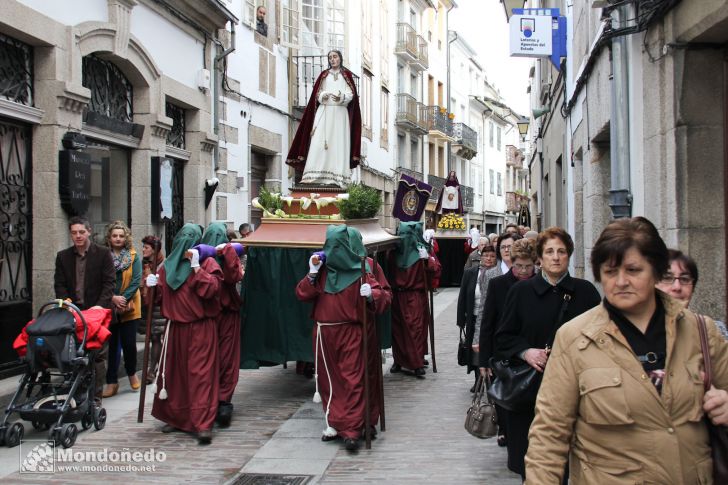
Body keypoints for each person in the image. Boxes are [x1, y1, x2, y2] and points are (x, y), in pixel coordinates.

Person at [525, 217, 728, 484]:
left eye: (633, 270)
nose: (620, 281)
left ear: (656, 271)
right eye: (610, 272)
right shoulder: (575, 338)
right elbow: (549, 436)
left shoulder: (701, 332)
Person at [494, 227, 600, 480]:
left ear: (569, 256)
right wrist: (526, 352)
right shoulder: (520, 292)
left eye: (561, 252)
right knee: (534, 466)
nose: (556, 257)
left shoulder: (585, 293)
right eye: (549, 251)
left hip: (577, 390)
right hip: (531, 390)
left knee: (574, 464)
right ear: (540, 257)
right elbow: (503, 337)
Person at [295, 225, 392, 451]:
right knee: (329, 381)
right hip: (324, 333)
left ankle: (352, 428)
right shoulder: (322, 269)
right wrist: (311, 274)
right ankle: (335, 422)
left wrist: (372, 295)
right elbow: (302, 294)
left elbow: (384, 297)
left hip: (352, 332)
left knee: (352, 379)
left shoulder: (364, 269)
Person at [145, 224, 223, 445]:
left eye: (191, 237)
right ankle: (177, 417)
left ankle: (203, 423)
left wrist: (197, 269)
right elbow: (156, 300)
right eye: (183, 237)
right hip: (175, 328)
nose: (185, 241)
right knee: (174, 376)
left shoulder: (207, 263)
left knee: (200, 376)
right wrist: (151, 286)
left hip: (201, 329)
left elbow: (212, 291)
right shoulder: (165, 267)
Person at [477, 238, 538, 447]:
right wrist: (483, 360)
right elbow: (487, 322)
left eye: (528, 266)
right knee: (505, 397)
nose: (523, 270)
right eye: (519, 265)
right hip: (503, 353)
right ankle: (507, 432)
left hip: (530, 352)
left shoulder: (539, 284)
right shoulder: (498, 284)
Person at [54, 216, 116, 403]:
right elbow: (60, 284)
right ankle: (76, 395)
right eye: (74, 233)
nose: (78, 236)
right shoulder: (63, 256)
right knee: (74, 355)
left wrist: (99, 306)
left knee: (97, 356)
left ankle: (95, 398)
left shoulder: (103, 253)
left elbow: (109, 283)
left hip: (97, 312)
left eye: (81, 232)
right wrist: (66, 303)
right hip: (74, 312)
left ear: (89, 231)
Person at [286, 50, 362, 187]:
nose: (332, 60)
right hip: (325, 111)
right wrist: (323, 95)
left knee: (338, 144)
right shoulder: (324, 75)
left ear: (340, 59)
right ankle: (314, 175)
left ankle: (338, 177)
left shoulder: (346, 75)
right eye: (330, 58)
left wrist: (342, 97)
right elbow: (317, 93)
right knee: (318, 142)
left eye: (335, 57)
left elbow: (351, 94)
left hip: (340, 113)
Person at [201, 222, 244, 427]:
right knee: (207, 359)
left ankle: (223, 400)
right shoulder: (199, 256)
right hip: (206, 316)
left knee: (227, 359)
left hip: (227, 314)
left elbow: (234, 276)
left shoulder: (229, 253)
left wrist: (227, 255)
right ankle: (206, 400)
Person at [389, 222, 441, 377]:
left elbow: (436, 271)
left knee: (415, 330)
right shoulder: (393, 252)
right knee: (398, 331)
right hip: (397, 296)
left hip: (415, 296)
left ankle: (416, 362)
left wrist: (427, 261)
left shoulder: (422, 252)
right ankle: (399, 360)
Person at [103, 221, 142, 398]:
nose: (118, 238)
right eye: (114, 236)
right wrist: (112, 298)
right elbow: (100, 279)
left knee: (128, 344)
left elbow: (136, 280)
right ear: (109, 238)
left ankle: (132, 373)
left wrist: (124, 298)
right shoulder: (103, 257)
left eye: (121, 235)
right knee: (111, 347)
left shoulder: (133, 256)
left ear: (126, 237)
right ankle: (112, 382)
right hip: (109, 306)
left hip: (130, 307)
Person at [656, 249, 728, 339]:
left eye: (684, 279)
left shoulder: (713, 331)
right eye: (667, 278)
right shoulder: (636, 332)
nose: (677, 287)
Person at [470, 232, 521, 352]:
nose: (507, 250)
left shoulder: (529, 270)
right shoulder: (490, 274)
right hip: (497, 331)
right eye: (503, 247)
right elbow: (483, 308)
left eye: (510, 246)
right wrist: (478, 338)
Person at [457, 245, 497, 390]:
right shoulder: (470, 273)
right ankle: (477, 379)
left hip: (492, 318)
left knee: (490, 348)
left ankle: (492, 379)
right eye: (486, 255)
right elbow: (462, 296)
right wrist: (461, 320)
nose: (489, 259)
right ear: (481, 257)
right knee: (474, 350)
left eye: (492, 256)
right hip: (473, 317)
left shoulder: (498, 274)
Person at [139, 235, 166, 384]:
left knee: (156, 337)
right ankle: (151, 368)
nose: (143, 250)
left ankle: (152, 370)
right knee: (151, 337)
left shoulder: (162, 265)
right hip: (146, 305)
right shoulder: (145, 264)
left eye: (146, 247)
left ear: (154, 250)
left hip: (157, 306)